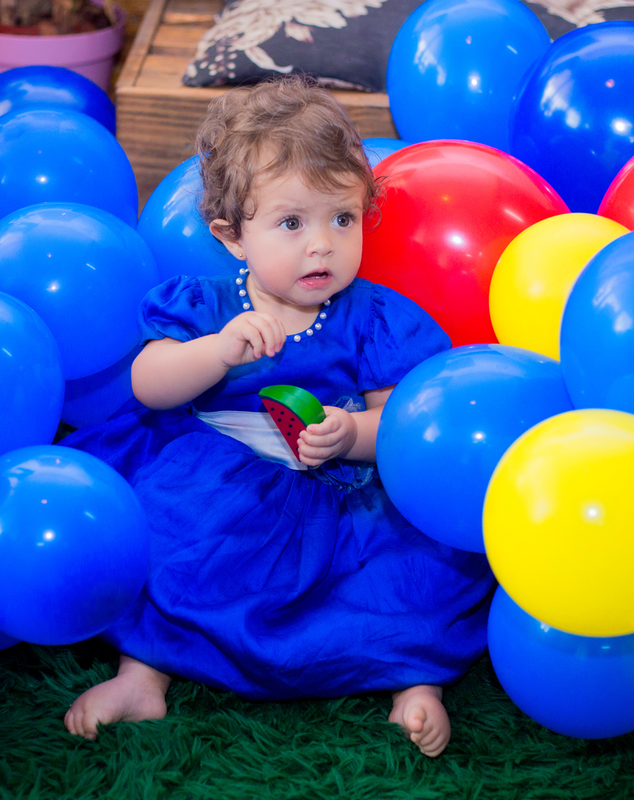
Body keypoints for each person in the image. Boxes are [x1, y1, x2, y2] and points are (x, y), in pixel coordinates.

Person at [62, 77, 494, 757]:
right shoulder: (205, 302)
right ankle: (143, 675)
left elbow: (405, 428)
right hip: (220, 478)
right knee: (165, 543)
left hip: (336, 488)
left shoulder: (375, 318)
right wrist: (214, 351)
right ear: (232, 236)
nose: (321, 245)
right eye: (292, 223)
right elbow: (149, 385)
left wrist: (352, 434)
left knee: (417, 569)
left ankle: (414, 681)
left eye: (341, 218)